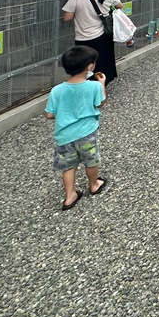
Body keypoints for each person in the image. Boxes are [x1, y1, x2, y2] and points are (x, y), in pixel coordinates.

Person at [45, 45, 108, 211]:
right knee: (91, 160)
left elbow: (49, 115)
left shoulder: (56, 90)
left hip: (64, 136)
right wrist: (101, 84)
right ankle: (94, 185)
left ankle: (70, 196)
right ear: (90, 67)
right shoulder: (93, 86)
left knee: (68, 166)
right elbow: (100, 103)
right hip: (87, 133)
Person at [62, 0, 121, 85]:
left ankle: (85, 86)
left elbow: (67, 17)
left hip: (84, 38)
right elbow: (119, 5)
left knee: (84, 64)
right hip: (103, 36)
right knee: (101, 62)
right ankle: (101, 85)